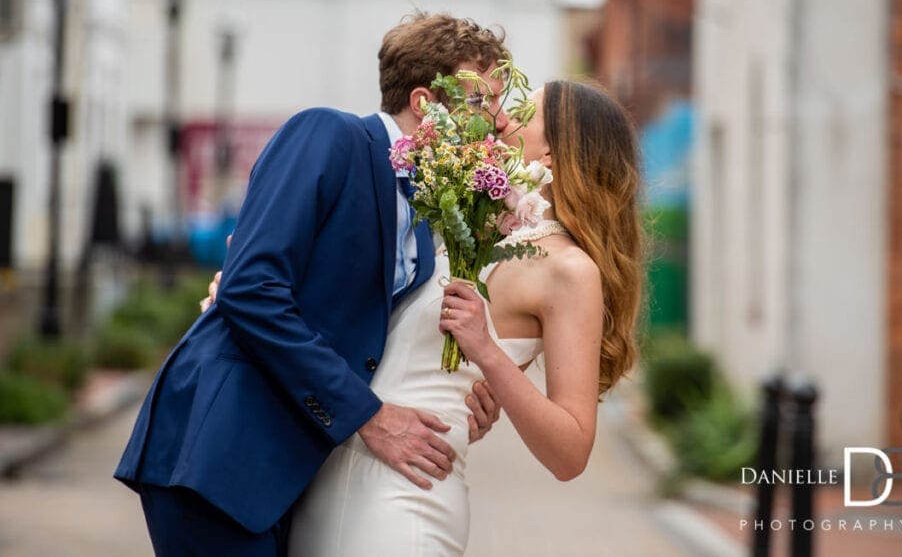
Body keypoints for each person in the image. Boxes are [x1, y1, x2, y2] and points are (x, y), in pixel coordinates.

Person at [114, 13, 508, 556]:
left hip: (291, 476)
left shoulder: (423, 210)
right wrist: (368, 416)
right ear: (425, 102)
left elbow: (369, 335)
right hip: (221, 454)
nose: (500, 121)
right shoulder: (328, 134)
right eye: (484, 101)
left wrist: (468, 395)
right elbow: (251, 288)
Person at [205, 80, 645, 555]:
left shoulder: (570, 270)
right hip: (323, 480)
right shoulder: (462, 228)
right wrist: (243, 291)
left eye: (522, 112)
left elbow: (571, 451)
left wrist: (488, 353)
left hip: (404, 501)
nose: (500, 116)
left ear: (555, 155)